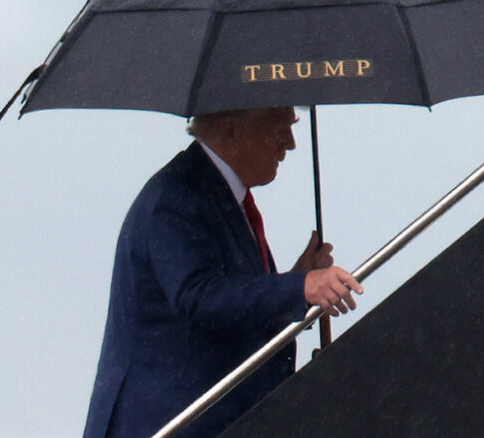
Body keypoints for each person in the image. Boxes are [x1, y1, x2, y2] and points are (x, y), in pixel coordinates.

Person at [82, 107, 363, 438]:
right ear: (231, 131)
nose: (290, 143)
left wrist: (295, 281)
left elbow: (231, 313)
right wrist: (299, 287)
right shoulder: (175, 196)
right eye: (279, 128)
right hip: (169, 424)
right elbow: (198, 298)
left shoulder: (211, 192)